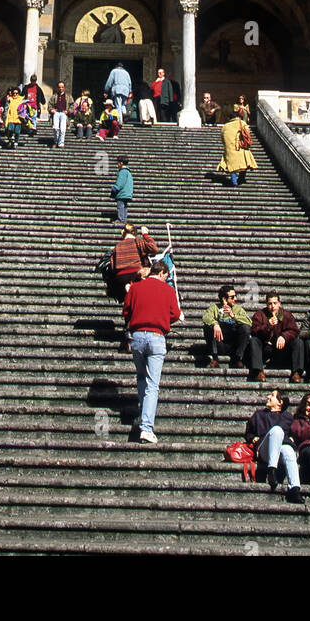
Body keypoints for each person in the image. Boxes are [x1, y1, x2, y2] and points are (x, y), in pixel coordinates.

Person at [123, 260, 181, 444]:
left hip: (138, 336)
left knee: (141, 377)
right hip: (157, 336)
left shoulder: (136, 287)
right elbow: (175, 314)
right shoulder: (168, 290)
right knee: (153, 383)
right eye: (167, 276)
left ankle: (143, 412)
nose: (167, 279)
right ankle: (146, 427)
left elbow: (126, 311)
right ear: (162, 273)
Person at [243, 390, 305, 503]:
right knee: (277, 430)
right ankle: (271, 470)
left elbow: (295, 433)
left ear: (280, 402)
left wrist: (292, 438)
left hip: (282, 450)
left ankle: (294, 489)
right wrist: (252, 438)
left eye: (272, 395)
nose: (268, 397)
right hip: (265, 450)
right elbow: (248, 432)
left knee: (288, 450)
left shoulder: (288, 417)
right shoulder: (259, 415)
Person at [249, 291, 300, 380]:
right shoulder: (259, 315)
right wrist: (267, 326)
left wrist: (284, 336)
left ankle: (296, 372)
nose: (272, 306)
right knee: (254, 340)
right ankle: (258, 371)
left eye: (275, 303)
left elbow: (295, 331)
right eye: (270, 304)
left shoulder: (287, 315)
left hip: (281, 347)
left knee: (298, 342)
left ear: (279, 303)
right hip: (265, 347)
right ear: (266, 304)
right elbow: (254, 331)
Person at [202, 283, 252, 369]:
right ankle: (215, 359)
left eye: (235, 296)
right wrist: (215, 324)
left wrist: (233, 316)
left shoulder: (237, 309)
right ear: (224, 299)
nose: (235, 299)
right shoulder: (215, 308)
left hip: (234, 345)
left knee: (245, 328)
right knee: (207, 327)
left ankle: (238, 358)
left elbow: (249, 322)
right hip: (220, 343)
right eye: (232, 297)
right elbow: (206, 317)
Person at [109, 222, 158, 300]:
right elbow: (154, 248)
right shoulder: (137, 241)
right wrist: (145, 235)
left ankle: (129, 289)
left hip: (121, 277)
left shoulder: (117, 246)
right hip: (136, 274)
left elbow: (112, 265)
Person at [217, 106, 258, 187]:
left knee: (232, 166)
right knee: (244, 164)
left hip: (229, 149)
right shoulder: (242, 123)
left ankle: (234, 182)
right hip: (240, 147)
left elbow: (222, 137)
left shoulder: (225, 126)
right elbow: (247, 133)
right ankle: (241, 178)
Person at [111, 154, 134, 224]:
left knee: (120, 206)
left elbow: (120, 182)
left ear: (121, 163)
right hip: (127, 193)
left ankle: (121, 219)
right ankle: (124, 219)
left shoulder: (123, 171)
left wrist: (114, 188)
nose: (117, 165)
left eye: (118, 163)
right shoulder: (128, 172)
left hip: (122, 193)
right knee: (124, 207)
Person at [51, 81, 72, 148]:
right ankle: (56, 141)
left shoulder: (68, 96)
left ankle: (61, 143)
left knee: (62, 129)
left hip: (64, 113)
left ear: (64, 88)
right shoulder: (54, 96)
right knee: (55, 128)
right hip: (56, 113)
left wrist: (68, 111)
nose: (61, 88)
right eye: (59, 87)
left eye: (62, 87)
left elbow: (72, 105)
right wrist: (51, 109)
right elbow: (50, 104)